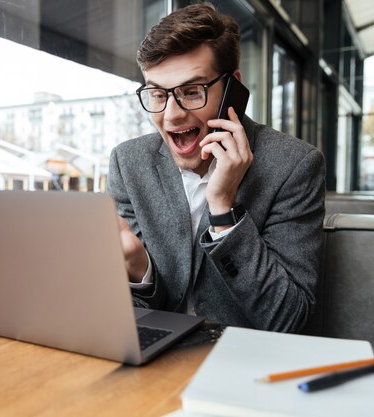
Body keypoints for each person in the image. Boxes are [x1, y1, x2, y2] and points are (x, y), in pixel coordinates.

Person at [107, 3, 325, 333]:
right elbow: (133, 314)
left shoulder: (294, 166)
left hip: (245, 362)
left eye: (192, 91)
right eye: (156, 94)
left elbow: (288, 318)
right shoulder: (128, 164)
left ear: (232, 89)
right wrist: (139, 269)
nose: (171, 115)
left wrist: (224, 211)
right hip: (156, 360)